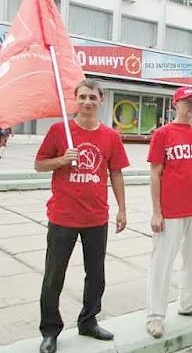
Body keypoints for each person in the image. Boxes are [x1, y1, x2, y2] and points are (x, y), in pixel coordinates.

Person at [34, 79, 129, 353]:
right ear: (76, 100)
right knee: (54, 277)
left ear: (101, 101)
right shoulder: (58, 131)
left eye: (93, 98)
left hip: (96, 219)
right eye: (83, 97)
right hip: (63, 217)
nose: (87, 102)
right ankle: (50, 330)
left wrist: (122, 208)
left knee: (96, 276)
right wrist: (62, 160)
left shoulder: (110, 136)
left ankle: (89, 321)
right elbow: (39, 164)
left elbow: (116, 173)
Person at [145, 87, 192, 339]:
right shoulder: (163, 134)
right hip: (171, 210)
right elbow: (155, 173)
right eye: (187, 102)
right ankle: (154, 315)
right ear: (176, 104)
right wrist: (156, 211)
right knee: (162, 262)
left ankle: (189, 303)